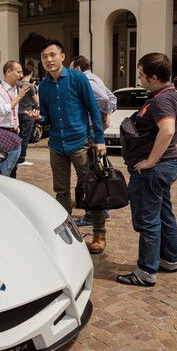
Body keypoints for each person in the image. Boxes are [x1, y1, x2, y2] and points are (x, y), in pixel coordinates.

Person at [117, 53, 177, 288]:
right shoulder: (173, 96)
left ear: (153, 77)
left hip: (154, 170)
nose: (140, 79)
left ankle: (146, 271)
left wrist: (151, 160)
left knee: (149, 221)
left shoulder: (161, 101)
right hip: (166, 165)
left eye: (141, 75)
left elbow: (167, 130)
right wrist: (170, 151)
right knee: (164, 213)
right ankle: (169, 259)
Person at [38, 39, 107, 254]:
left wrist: (100, 138)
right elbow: (47, 117)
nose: (48, 60)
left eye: (52, 55)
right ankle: (67, 231)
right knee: (61, 192)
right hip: (57, 145)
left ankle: (99, 232)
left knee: (90, 189)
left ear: (62, 56)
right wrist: (38, 117)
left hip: (80, 144)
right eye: (44, 57)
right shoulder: (43, 86)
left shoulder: (77, 78)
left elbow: (93, 108)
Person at [70, 55, 118, 227]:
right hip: (93, 127)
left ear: (77, 68)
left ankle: (93, 214)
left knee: (89, 173)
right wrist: (106, 115)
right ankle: (103, 209)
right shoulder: (95, 78)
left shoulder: (86, 79)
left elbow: (105, 100)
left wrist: (102, 115)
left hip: (89, 129)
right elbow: (112, 99)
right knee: (96, 169)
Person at [15, 68, 40, 167]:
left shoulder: (16, 84)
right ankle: (21, 158)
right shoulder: (30, 86)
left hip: (17, 112)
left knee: (18, 136)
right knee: (25, 136)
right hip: (27, 113)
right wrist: (35, 89)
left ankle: (16, 157)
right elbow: (36, 101)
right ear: (31, 73)